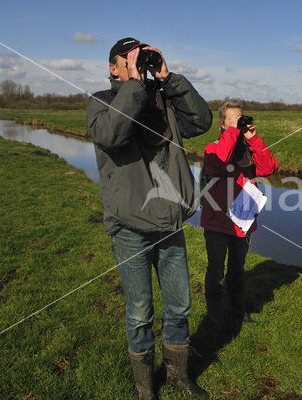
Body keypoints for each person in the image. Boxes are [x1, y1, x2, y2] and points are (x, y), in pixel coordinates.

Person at [87, 37, 212, 400]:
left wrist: (168, 79)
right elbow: (111, 134)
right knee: (140, 311)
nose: (141, 62)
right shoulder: (103, 101)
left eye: (144, 56)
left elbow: (201, 120)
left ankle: (178, 377)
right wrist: (136, 85)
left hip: (169, 220)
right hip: (130, 226)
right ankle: (146, 389)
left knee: (180, 305)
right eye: (132, 58)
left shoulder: (162, 100)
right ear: (114, 67)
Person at [200, 102, 278, 334]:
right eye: (235, 118)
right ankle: (214, 317)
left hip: (242, 222)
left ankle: (237, 312)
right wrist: (233, 134)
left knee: (237, 270)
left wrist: (253, 139)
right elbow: (216, 165)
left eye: (241, 117)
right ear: (223, 124)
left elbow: (268, 168)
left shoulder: (246, 150)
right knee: (216, 271)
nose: (240, 121)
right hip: (217, 220)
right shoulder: (212, 147)